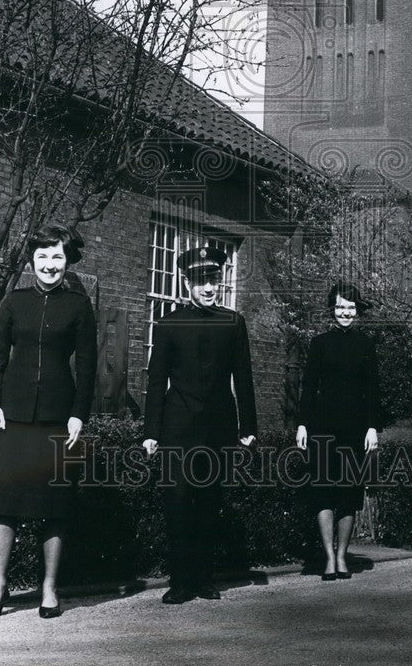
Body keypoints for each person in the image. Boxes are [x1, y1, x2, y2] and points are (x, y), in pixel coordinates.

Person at [0, 223, 97, 619]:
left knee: (55, 506)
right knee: (3, 505)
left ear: (66, 260)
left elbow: (88, 367)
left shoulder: (78, 305)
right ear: (32, 261)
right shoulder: (14, 301)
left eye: (57, 256)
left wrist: (78, 415)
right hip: (13, 417)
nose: (49, 264)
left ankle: (48, 589)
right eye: (42, 257)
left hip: (58, 419)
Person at [142, 245, 257, 605]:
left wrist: (248, 427)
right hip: (177, 428)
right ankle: (180, 582)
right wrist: (151, 432)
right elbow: (156, 380)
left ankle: (205, 580)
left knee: (208, 503)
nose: (208, 287)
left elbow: (244, 377)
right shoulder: (169, 323)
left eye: (214, 279)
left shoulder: (233, 322)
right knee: (177, 503)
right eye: (200, 280)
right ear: (187, 282)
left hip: (218, 428)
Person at [296, 281, 380, 580]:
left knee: (348, 494)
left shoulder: (366, 345)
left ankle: (343, 556)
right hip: (322, 427)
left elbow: (373, 390)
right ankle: (329, 558)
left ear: (357, 311)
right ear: (332, 310)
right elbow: (308, 387)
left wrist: (372, 427)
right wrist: (303, 424)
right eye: (341, 307)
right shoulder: (319, 343)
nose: (345, 313)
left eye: (351, 308)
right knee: (323, 492)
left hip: (355, 429)